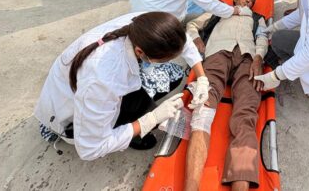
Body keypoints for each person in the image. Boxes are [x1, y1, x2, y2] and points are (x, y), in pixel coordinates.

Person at [35, 12, 202, 160]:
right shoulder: (103, 81)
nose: (168, 61)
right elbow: (90, 149)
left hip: (80, 87)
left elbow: (183, 41)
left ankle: (132, 116)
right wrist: (150, 119)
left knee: (174, 75)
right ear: (140, 52)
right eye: (163, 59)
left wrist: (202, 78)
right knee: (146, 106)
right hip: (70, 118)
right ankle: (131, 130)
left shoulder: (146, 25)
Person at [184, 0, 267, 191]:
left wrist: (258, 58)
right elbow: (192, 25)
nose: (249, 0)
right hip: (218, 53)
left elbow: (262, 38)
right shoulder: (220, 10)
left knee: (246, 115)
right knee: (203, 108)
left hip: (248, 58)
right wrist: (196, 39)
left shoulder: (258, 18)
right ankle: (191, 187)